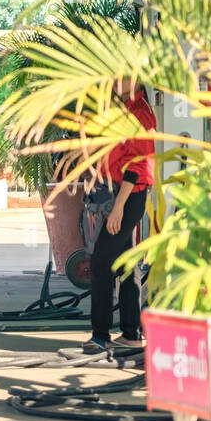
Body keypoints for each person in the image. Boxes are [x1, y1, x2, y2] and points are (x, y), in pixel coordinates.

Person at [83, 80, 155, 354]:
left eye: (120, 77)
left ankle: (100, 336)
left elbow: (137, 166)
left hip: (129, 195)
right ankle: (131, 333)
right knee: (127, 265)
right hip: (121, 194)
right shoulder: (125, 109)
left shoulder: (140, 112)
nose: (114, 82)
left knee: (101, 262)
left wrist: (118, 207)